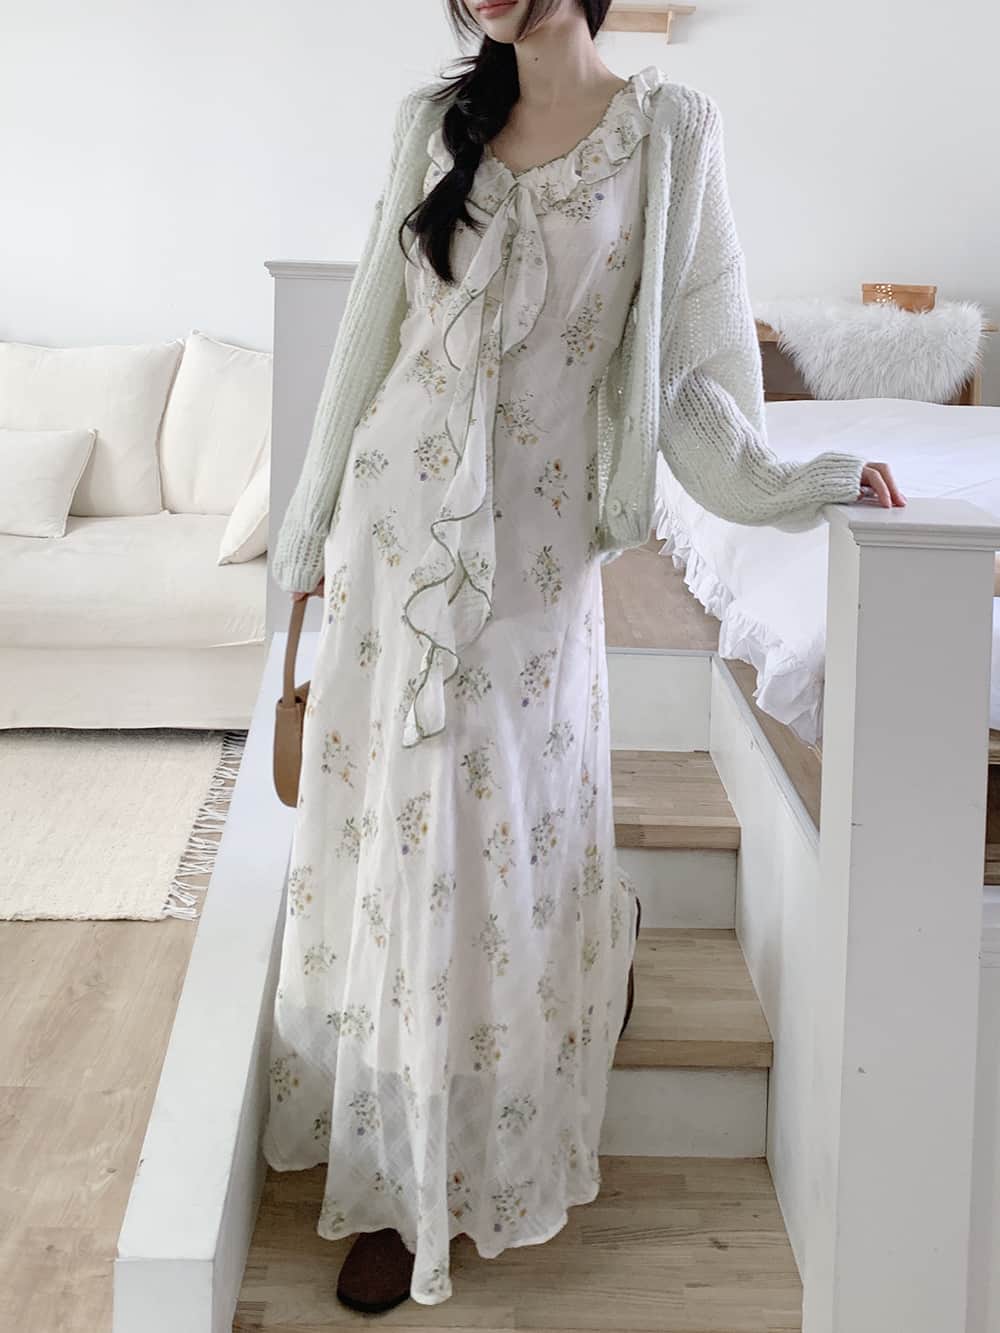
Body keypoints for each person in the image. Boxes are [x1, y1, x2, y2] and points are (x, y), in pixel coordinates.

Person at [261, 0, 906, 1315]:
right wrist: (308, 533)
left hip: (534, 565)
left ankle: (496, 1116)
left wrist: (809, 482)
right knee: (407, 850)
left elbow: (696, 388)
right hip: (394, 542)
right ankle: (400, 1181)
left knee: (497, 837)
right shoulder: (432, 123)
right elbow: (371, 340)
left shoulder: (669, 136)